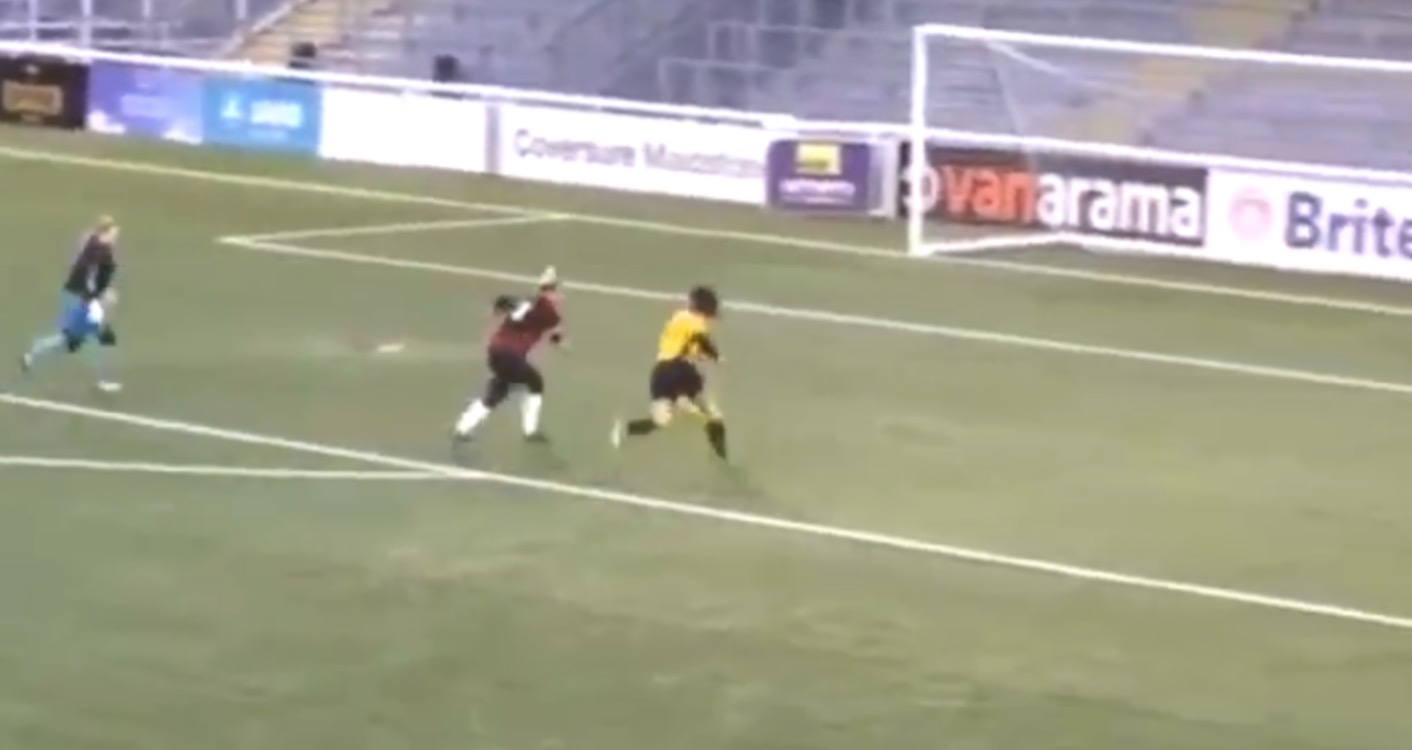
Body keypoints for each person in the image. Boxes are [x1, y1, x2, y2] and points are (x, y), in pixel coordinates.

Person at [612, 285, 728, 460]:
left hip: (660, 374)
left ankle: (627, 429)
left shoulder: (678, 318)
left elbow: (689, 344)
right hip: (679, 371)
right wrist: (716, 356)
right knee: (714, 417)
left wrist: (702, 356)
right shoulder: (695, 321)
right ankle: (720, 456)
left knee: (660, 421)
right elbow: (700, 339)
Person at [453, 266, 564, 442]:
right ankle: (530, 430)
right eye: (556, 293)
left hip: (496, 350)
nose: (559, 298)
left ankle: (463, 427)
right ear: (550, 293)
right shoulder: (549, 312)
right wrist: (562, 344)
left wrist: (498, 310)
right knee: (536, 383)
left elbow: (502, 301)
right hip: (511, 354)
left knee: (499, 389)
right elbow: (556, 335)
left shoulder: (525, 301)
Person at [20, 216, 122, 392]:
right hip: (84, 301)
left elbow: (91, 274)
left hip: (79, 298)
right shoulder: (100, 251)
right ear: (105, 233)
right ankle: (103, 380)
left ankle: (32, 354)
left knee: (67, 342)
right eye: (113, 234)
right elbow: (91, 277)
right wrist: (99, 297)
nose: (116, 238)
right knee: (103, 337)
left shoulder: (93, 243)